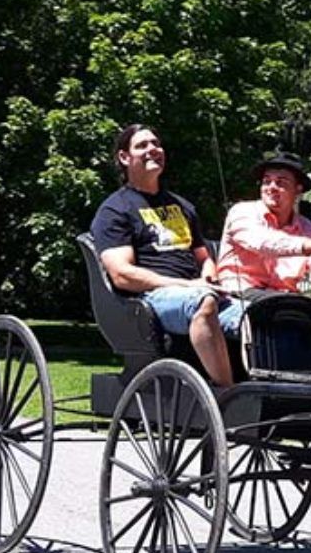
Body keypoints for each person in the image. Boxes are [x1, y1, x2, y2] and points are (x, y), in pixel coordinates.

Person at [90, 124, 233, 387]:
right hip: (150, 300)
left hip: (197, 291)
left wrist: (208, 276)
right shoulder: (115, 210)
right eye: (142, 145)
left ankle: (267, 391)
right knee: (203, 303)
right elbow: (122, 275)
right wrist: (189, 286)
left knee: (256, 315)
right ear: (124, 157)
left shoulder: (182, 206)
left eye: (156, 143)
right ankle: (228, 394)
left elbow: (203, 257)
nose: (153, 149)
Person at [215, 153, 311, 338]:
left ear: (298, 190)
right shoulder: (242, 212)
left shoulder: (310, 230)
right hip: (237, 294)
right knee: (292, 313)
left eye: (281, 182)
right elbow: (263, 243)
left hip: (285, 299)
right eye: (266, 181)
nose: (271, 187)